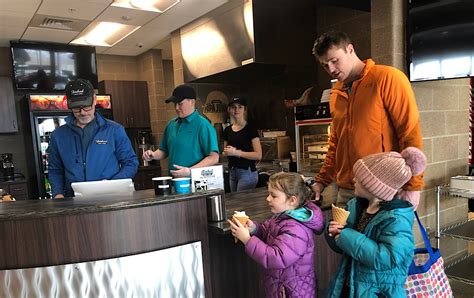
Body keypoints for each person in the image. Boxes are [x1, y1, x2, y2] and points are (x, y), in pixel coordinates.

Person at [310, 31, 424, 209]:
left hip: (384, 190)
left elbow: (410, 133)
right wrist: (322, 181)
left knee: (383, 238)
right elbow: (336, 143)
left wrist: (413, 187)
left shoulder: (388, 78)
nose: (331, 69)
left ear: (350, 49)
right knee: (341, 237)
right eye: (325, 65)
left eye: (334, 60)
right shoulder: (335, 94)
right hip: (346, 190)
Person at [325, 147, 427, 297]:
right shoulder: (356, 206)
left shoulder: (396, 219)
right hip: (351, 285)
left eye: (359, 178)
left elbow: (388, 258)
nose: (354, 180)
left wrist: (346, 236)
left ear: (375, 187)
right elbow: (346, 246)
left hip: (378, 292)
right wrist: (335, 233)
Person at [229, 172, 324, 297]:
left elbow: (276, 257)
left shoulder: (296, 228)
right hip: (282, 285)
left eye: (273, 196)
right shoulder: (281, 217)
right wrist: (253, 228)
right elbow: (267, 233)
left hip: (292, 291)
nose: (268, 199)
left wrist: (247, 240)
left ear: (292, 200)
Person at [48, 79, 138, 198]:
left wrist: (113, 183)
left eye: (87, 107)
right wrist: (58, 193)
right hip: (74, 201)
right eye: (77, 108)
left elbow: (131, 163)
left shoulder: (114, 130)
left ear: (95, 100)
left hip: (110, 197)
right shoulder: (58, 136)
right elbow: (55, 170)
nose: (83, 113)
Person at [143, 84, 219, 177]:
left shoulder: (203, 125)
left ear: (192, 102)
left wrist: (190, 171)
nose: (176, 108)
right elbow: (164, 150)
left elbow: (214, 157)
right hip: (173, 181)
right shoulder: (171, 124)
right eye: (175, 104)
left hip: (195, 183)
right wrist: (153, 155)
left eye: (180, 104)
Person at [223, 97, 262, 192]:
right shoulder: (227, 130)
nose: (236, 110)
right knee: (235, 203)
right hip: (232, 171)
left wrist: (236, 152)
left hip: (247, 173)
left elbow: (258, 155)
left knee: (241, 203)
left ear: (245, 109)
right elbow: (224, 152)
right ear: (230, 109)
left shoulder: (251, 129)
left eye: (240, 107)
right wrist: (226, 152)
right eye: (233, 107)